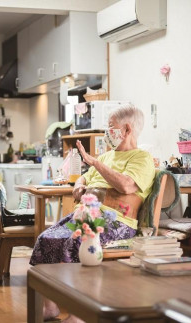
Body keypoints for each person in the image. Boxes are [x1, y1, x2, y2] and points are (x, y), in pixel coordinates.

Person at [29, 104, 155, 323]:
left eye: (111, 127)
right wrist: (79, 184)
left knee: (75, 244)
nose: (107, 133)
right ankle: (50, 307)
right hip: (85, 213)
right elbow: (85, 177)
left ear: (126, 130)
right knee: (45, 239)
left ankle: (79, 315)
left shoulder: (141, 158)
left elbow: (126, 186)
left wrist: (95, 162)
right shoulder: (107, 157)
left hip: (115, 221)